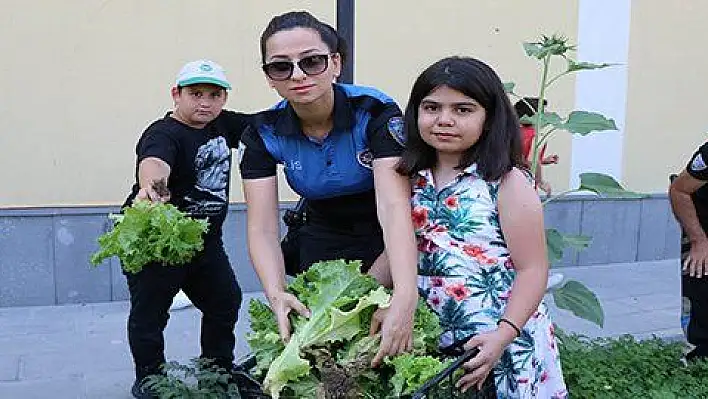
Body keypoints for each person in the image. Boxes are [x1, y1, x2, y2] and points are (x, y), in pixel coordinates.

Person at [238, 11, 418, 367]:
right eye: (281, 67)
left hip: (386, 228)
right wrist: (276, 293)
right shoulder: (263, 132)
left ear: (336, 63)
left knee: (388, 341)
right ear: (269, 78)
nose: (298, 75)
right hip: (321, 230)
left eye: (313, 61)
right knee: (324, 348)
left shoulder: (375, 111)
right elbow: (261, 227)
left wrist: (402, 292)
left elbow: (396, 209)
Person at [396, 56, 567, 397]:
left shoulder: (506, 182)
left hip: (500, 341)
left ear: (489, 118)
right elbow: (400, 249)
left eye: (462, 109)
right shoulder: (409, 179)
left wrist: (503, 335)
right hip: (436, 344)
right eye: (431, 107)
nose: (444, 120)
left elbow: (533, 269)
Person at [122, 59, 250, 398]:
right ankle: (149, 377)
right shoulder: (163, 133)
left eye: (213, 94)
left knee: (225, 301)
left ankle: (217, 370)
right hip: (160, 242)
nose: (205, 102)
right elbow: (154, 163)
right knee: (151, 313)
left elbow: (270, 123)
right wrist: (152, 189)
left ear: (223, 99)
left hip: (205, 243)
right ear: (176, 94)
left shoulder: (222, 124)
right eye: (196, 94)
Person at [669, 142, 708, 361]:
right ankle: (696, 357)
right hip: (700, 224)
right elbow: (679, 190)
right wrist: (698, 241)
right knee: (701, 288)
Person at [513, 98, 558, 195]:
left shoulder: (512, 132)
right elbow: (530, 160)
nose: (548, 115)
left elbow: (519, 159)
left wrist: (544, 160)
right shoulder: (537, 137)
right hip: (525, 182)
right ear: (535, 115)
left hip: (508, 180)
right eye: (544, 113)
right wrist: (540, 182)